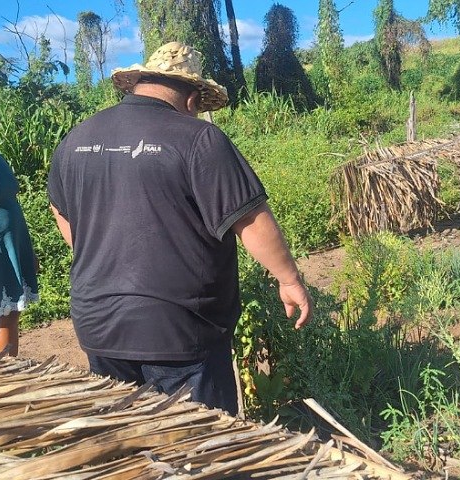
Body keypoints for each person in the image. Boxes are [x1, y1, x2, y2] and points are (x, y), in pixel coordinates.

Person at [47, 42, 313, 416]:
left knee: (127, 435)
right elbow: (250, 218)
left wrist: (98, 252)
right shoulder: (199, 139)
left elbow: (60, 209)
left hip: (97, 322)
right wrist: (289, 279)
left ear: (139, 84)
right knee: (197, 446)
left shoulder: (77, 138)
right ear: (192, 99)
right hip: (180, 327)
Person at [0, 87, 39, 356]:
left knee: (11, 313)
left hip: (11, 247)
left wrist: (29, 250)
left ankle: (9, 377)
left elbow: (9, 204)